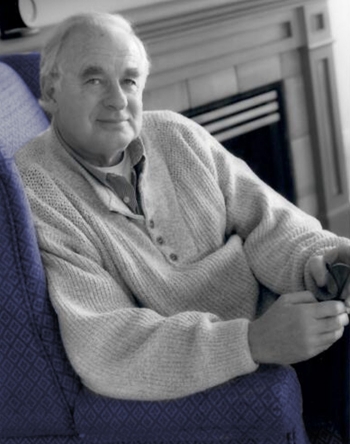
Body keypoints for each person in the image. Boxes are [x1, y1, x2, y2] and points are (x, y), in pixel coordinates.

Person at [15, 12, 350, 401]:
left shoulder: (176, 133)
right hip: (211, 373)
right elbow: (105, 343)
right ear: (51, 91)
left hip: (285, 319)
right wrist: (251, 341)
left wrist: (320, 262)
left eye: (129, 80)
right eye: (94, 79)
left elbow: (267, 221)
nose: (118, 100)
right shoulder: (37, 189)